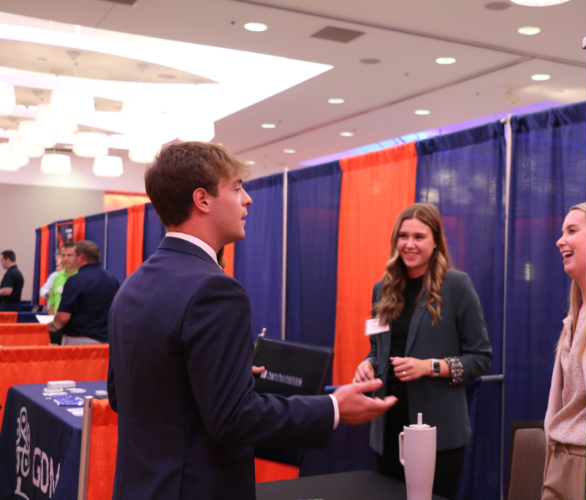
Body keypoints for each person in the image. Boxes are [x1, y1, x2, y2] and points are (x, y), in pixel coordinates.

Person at [107, 141, 395, 500]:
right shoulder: (214, 289)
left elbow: (125, 396)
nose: (248, 200)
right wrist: (334, 407)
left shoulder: (132, 284)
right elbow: (232, 419)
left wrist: (225, 380)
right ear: (203, 199)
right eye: (237, 187)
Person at [353, 203, 492, 500]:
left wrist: (429, 366)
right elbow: (377, 350)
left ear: (435, 241)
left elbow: (481, 358)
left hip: (437, 434)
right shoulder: (383, 289)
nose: (409, 244)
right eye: (403, 236)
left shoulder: (456, 285)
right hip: (387, 430)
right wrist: (367, 364)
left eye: (419, 236)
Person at [542, 202, 586, 500]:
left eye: (572, 230)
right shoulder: (574, 317)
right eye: (562, 232)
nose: (560, 240)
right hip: (559, 460)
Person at [47, 241, 119, 345]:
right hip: (107, 342)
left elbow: (63, 318)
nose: (70, 259)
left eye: (72, 255)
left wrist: (53, 326)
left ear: (80, 258)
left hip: (79, 342)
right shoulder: (112, 279)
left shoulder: (75, 280)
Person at [48, 242, 78, 315]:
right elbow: (52, 304)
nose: (65, 259)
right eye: (63, 255)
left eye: (69, 255)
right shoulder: (58, 277)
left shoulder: (83, 276)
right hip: (58, 323)